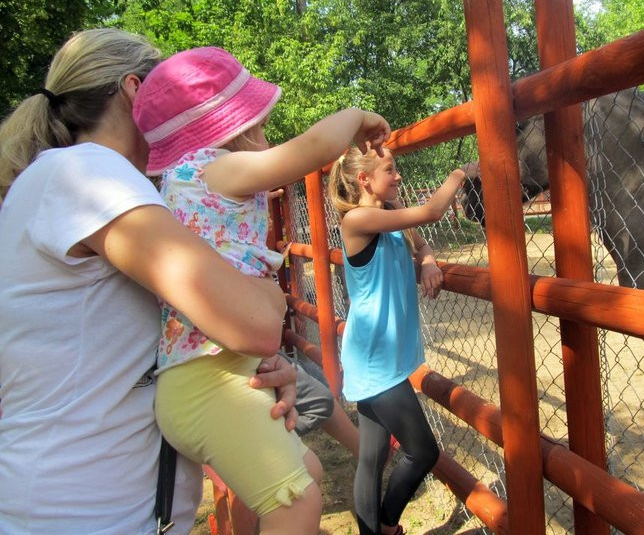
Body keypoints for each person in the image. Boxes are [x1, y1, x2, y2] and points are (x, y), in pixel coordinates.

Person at [0, 28, 300, 535]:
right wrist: (265, 305)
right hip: (78, 515)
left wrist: (251, 368)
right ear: (136, 91)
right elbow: (254, 322)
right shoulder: (88, 174)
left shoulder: (89, 184)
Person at [131, 45, 391, 535]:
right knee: (295, 503)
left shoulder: (178, 182)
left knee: (307, 473)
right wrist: (356, 116)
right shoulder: (213, 168)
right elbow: (310, 151)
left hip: (214, 375)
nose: (267, 137)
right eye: (260, 125)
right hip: (210, 381)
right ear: (233, 130)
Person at [328, 146, 466, 535]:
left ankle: (377, 532)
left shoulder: (389, 213)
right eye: (390, 170)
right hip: (374, 357)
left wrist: (428, 261)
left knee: (372, 458)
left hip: (382, 355)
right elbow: (432, 212)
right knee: (422, 452)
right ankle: (387, 527)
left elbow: (420, 241)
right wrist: (459, 173)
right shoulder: (357, 220)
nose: (398, 176)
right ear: (364, 179)